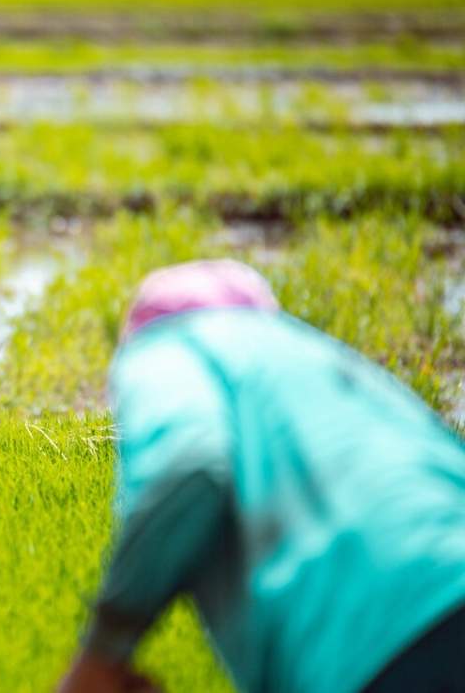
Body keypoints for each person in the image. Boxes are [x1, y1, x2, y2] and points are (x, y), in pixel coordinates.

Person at [58, 259, 465, 693]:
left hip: (386, 633)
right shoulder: (324, 361)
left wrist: (101, 654)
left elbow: (190, 463)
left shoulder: (171, 347)